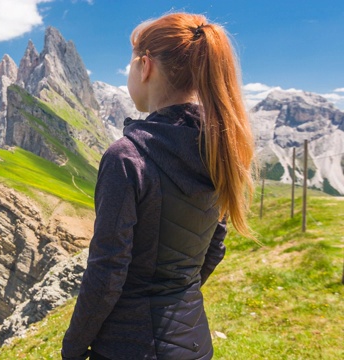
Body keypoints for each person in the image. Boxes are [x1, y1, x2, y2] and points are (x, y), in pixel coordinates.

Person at [61, 13, 255, 360]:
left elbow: (106, 271)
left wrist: (72, 348)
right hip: (194, 341)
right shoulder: (220, 147)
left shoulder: (128, 156)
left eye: (130, 63)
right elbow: (213, 249)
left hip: (128, 346)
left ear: (145, 65)